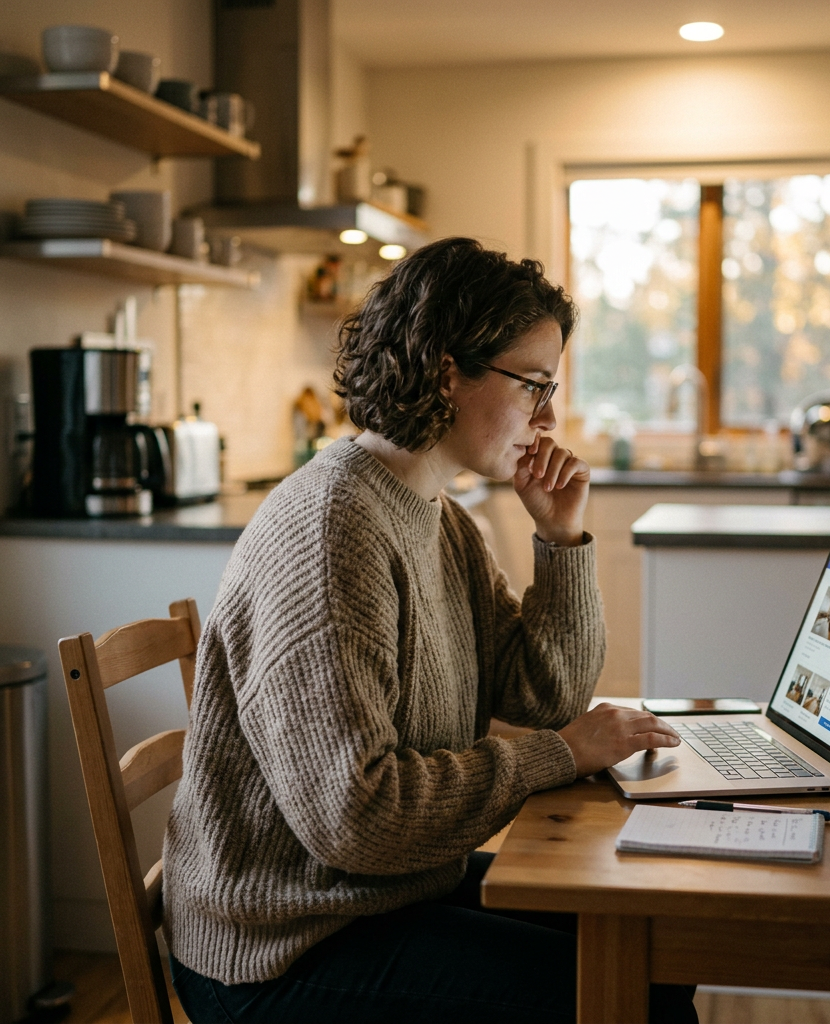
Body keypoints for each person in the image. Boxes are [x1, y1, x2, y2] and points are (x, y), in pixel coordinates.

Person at [163, 237, 693, 1023]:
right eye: (534, 386)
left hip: (378, 895)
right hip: (282, 944)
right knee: (621, 993)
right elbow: (356, 817)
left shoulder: (435, 514)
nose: (549, 417)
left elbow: (542, 693)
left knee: (656, 948)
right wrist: (560, 756)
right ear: (449, 369)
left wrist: (562, 543)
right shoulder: (333, 530)